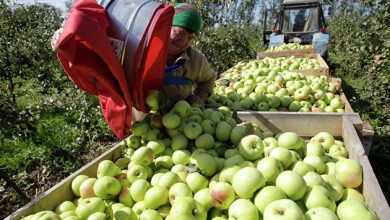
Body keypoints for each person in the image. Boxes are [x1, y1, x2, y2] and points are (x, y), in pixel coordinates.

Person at [51, 3, 216, 109]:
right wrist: (66, 39)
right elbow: (96, 50)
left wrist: (200, 97)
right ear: (166, 27)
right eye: (180, 33)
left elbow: (208, 79)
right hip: (143, 127)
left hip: (182, 125)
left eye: (190, 37)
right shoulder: (137, 49)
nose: (183, 41)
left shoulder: (196, 60)